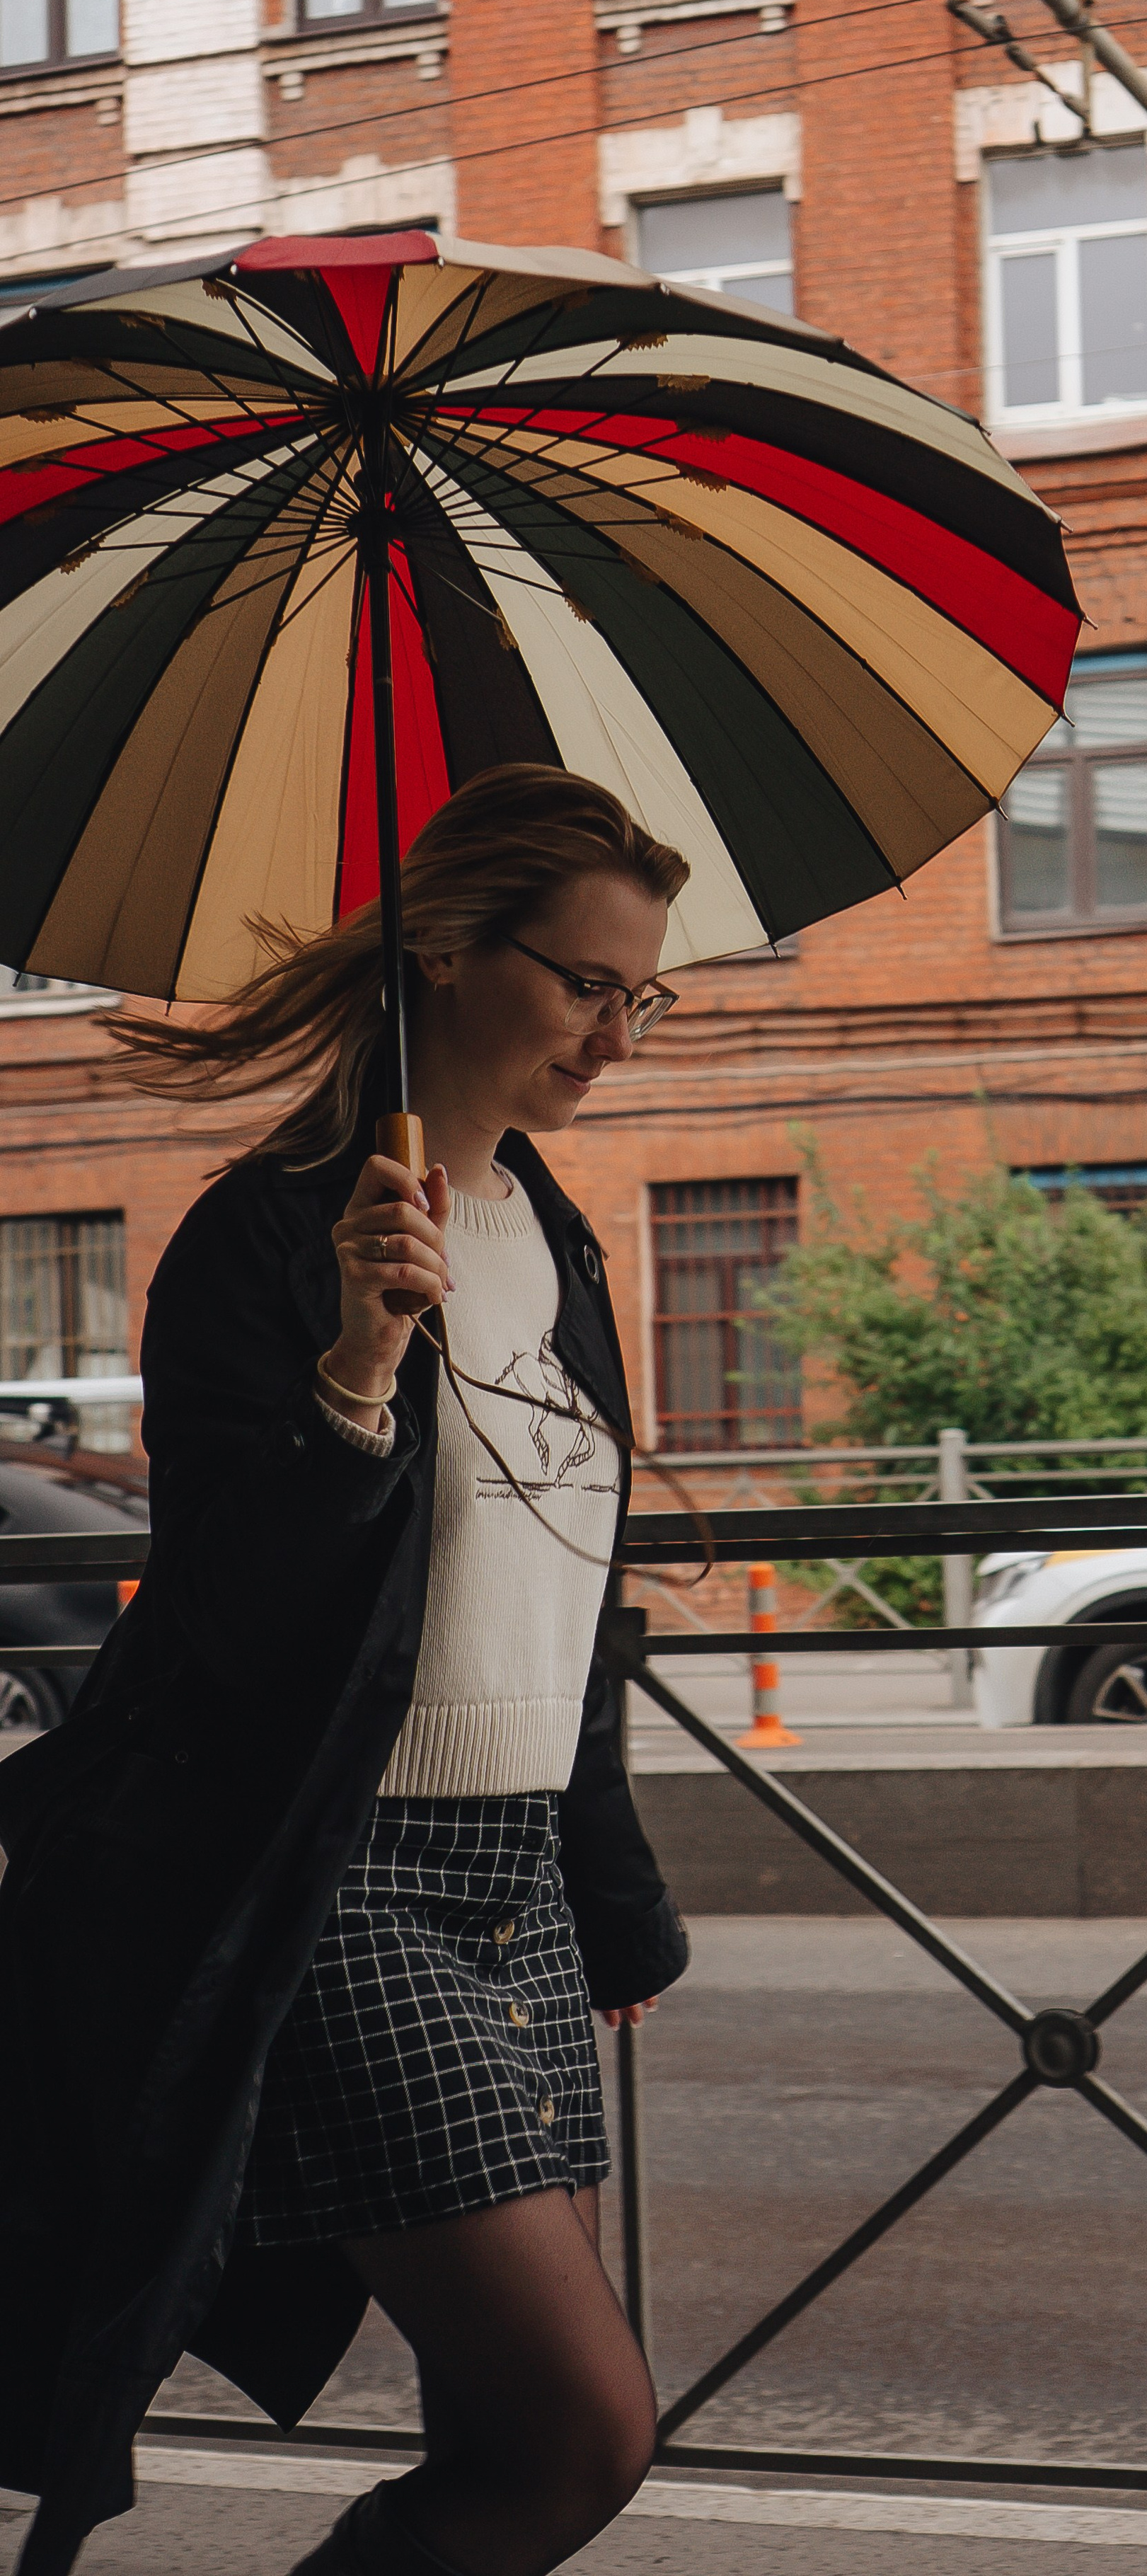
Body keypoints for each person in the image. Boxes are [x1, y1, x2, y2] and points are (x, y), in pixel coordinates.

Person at [0, 764, 695, 2576]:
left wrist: (609, 1895)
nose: (617, 1036)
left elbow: (568, 1606)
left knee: (499, 2436)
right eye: (586, 984)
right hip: (340, 1880)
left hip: (518, 1884)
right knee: (580, 2434)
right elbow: (230, 1617)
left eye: (645, 996)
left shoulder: (554, 1233)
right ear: (451, 953)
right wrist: (355, 1375)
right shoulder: (270, 1235)